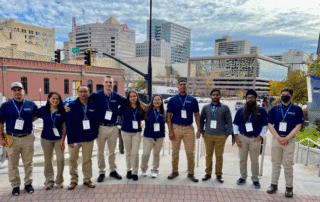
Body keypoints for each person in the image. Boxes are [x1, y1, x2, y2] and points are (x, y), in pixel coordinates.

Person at [0, 82, 38, 196]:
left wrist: (27, 122)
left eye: (19, 89)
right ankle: (15, 185)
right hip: (11, 138)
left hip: (27, 137)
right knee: (12, 164)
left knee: (28, 163)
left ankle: (28, 184)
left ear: (23, 91)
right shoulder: (6, 105)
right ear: (12, 92)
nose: (17, 92)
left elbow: (36, 115)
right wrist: (1, 138)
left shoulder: (31, 104)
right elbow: (0, 122)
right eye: (14, 90)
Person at [267, 87, 303, 198]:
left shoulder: (297, 109)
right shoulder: (275, 109)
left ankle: (289, 187)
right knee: (275, 163)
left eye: (287, 94)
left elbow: (299, 125)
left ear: (291, 96)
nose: (284, 96)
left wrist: (287, 138)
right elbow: (269, 124)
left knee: (288, 165)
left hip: (289, 141)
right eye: (282, 94)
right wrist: (278, 137)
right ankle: (273, 184)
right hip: (277, 140)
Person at [90, 76, 126, 182]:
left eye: (110, 82)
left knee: (112, 152)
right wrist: (69, 106)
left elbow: (129, 103)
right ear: (103, 83)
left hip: (113, 127)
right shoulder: (97, 95)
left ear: (113, 84)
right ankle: (101, 172)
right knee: (100, 152)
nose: (109, 84)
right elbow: (83, 100)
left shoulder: (117, 96)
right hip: (101, 127)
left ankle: (113, 170)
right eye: (107, 82)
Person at [167, 78, 201, 182]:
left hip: (188, 129)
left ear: (187, 86)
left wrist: (199, 129)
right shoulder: (172, 100)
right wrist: (170, 130)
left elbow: (196, 115)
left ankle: (191, 173)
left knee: (190, 152)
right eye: (181, 84)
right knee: (175, 152)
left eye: (184, 84)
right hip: (176, 127)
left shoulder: (193, 100)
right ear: (178, 86)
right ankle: (174, 171)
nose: (182, 86)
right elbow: (168, 116)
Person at [233, 89, 268, 189]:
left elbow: (265, 126)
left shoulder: (261, 111)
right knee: (242, 159)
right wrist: (236, 138)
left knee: (254, 160)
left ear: (255, 98)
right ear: (246, 99)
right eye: (248, 97)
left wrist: (260, 136)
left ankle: (255, 179)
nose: (250, 99)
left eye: (252, 97)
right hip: (242, 137)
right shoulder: (240, 110)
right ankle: (243, 177)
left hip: (255, 139)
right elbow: (235, 124)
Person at [66, 85, 99, 190]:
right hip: (75, 139)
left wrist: (94, 134)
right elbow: (68, 124)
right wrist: (70, 140)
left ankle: (87, 179)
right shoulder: (71, 105)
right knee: (72, 159)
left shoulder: (93, 105)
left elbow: (96, 122)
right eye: (81, 91)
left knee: (87, 160)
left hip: (88, 139)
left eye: (85, 91)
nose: (83, 94)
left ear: (88, 92)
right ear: (77, 92)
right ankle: (73, 180)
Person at [200, 88, 232, 183]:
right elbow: (201, 120)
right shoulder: (205, 107)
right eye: (213, 94)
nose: (215, 96)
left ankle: (218, 174)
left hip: (220, 136)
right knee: (208, 155)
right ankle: (208, 173)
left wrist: (226, 134)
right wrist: (202, 132)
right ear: (210, 96)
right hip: (208, 135)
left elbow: (229, 121)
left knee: (219, 156)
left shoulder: (225, 108)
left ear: (220, 96)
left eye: (217, 94)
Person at [36, 92, 66, 190]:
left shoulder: (62, 110)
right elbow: (32, 117)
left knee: (60, 159)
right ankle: (49, 180)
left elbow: (65, 126)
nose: (55, 100)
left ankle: (59, 180)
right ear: (49, 99)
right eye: (53, 98)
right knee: (48, 160)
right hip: (46, 138)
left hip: (58, 139)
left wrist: (62, 140)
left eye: (57, 99)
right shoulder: (43, 110)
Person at [119, 90, 144, 181]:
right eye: (130, 96)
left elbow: (145, 115)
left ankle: (135, 172)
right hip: (125, 131)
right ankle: (129, 169)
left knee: (135, 153)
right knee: (128, 152)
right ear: (128, 98)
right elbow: (115, 112)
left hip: (136, 132)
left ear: (137, 97)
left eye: (134, 96)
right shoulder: (123, 107)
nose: (132, 98)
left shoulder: (141, 107)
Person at [140, 94, 166, 178]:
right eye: (155, 100)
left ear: (161, 102)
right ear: (152, 101)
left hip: (160, 137)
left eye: (159, 100)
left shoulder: (164, 112)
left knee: (156, 154)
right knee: (146, 154)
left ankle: (155, 170)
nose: (157, 101)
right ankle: (143, 169)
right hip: (148, 136)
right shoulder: (147, 110)